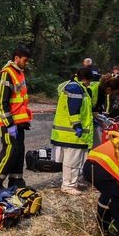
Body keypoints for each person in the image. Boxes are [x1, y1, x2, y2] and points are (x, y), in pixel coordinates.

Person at [0, 45, 33, 188]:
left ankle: (16, 182)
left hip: (19, 122)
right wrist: (10, 124)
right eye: (25, 60)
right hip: (8, 124)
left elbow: (20, 100)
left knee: (18, 153)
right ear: (16, 58)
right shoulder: (6, 74)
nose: (27, 63)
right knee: (10, 152)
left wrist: (23, 120)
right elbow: (0, 102)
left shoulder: (19, 73)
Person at [51, 67, 94, 195]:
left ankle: (72, 182)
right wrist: (77, 126)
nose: (90, 83)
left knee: (74, 160)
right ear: (85, 79)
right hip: (72, 133)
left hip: (68, 133)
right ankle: (68, 185)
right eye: (89, 80)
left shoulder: (73, 86)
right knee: (72, 161)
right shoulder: (76, 88)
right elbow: (73, 110)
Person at [92, 75, 119, 147]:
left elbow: (97, 110)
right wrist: (105, 121)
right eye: (113, 92)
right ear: (109, 89)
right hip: (86, 121)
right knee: (97, 143)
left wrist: (104, 118)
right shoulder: (97, 91)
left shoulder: (99, 88)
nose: (111, 94)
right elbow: (93, 110)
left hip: (90, 119)